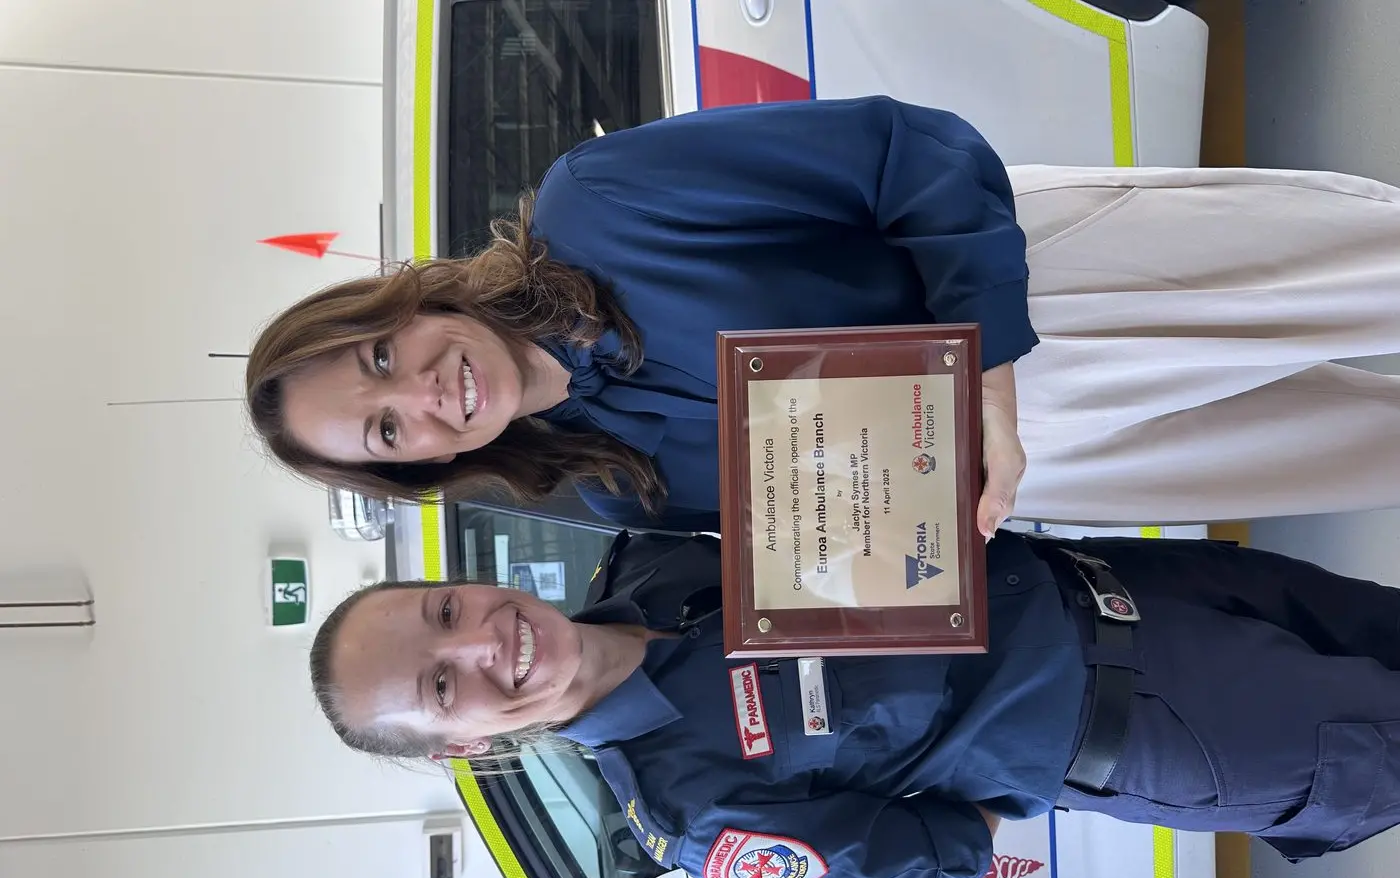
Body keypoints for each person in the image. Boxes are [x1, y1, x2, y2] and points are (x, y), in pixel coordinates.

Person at [246, 95, 1400, 531]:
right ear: (415, 468)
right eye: (386, 428)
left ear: (395, 301)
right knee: (1372, 453)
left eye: (381, 356)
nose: (420, 392)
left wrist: (991, 391)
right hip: (1049, 469)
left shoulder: (594, 207)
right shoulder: (615, 488)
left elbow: (915, 153)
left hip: (1051, 288)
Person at [311, 527, 1400, 878]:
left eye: (441, 614)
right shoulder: (696, 815)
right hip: (1155, 723)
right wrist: (1005, 726)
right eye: (442, 688)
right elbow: (931, 858)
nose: (479, 645)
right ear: (464, 747)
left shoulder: (658, 556)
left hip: (1130, 580)